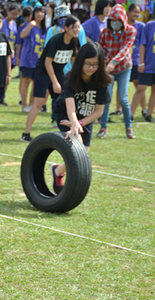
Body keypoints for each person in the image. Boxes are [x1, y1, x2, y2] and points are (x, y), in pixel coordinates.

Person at [51, 42, 111, 193]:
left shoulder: (102, 81)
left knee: (84, 151)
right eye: (88, 64)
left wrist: (80, 122)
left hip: (86, 116)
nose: (91, 68)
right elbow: (70, 105)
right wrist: (73, 123)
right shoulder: (72, 77)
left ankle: (58, 172)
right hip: (65, 114)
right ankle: (71, 187)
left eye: (95, 64)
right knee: (78, 144)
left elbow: (99, 111)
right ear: (80, 61)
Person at [21, 15, 80, 142]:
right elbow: (47, 62)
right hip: (43, 73)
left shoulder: (75, 41)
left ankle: (67, 130)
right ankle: (26, 133)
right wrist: (54, 82)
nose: (77, 30)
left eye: (78, 27)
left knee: (65, 102)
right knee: (38, 102)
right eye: (74, 27)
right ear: (65, 28)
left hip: (58, 73)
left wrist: (76, 78)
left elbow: (74, 61)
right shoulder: (56, 40)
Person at [96, 4, 136, 139]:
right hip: (109, 70)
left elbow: (126, 49)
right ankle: (103, 127)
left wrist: (113, 62)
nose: (115, 23)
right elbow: (99, 47)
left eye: (118, 21)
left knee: (123, 98)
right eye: (112, 20)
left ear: (123, 20)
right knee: (106, 98)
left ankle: (128, 127)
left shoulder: (131, 31)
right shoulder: (105, 32)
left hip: (124, 68)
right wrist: (103, 58)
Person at [19, 6, 45, 113]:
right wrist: (30, 25)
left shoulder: (45, 29)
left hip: (39, 61)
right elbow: (22, 35)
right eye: (38, 12)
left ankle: (31, 105)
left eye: (42, 12)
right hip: (28, 59)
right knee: (26, 83)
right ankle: (24, 105)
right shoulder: (29, 25)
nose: (40, 14)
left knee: (36, 84)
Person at [126, 4, 146, 117]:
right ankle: (118, 109)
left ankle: (144, 109)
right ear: (128, 12)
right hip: (123, 60)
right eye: (134, 12)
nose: (136, 15)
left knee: (138, 84)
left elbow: (144, 43)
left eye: (138, 12)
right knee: (121, 84)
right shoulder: (122, 24)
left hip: (136, 60)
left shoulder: (141, 26)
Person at [0, 2, 19, 106]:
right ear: (8, 12)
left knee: (8, 74)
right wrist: (10, 49)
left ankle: (2, 95)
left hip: (12, 53)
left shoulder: (14, 24)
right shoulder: (3, 23)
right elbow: (4, 37)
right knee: (3, 74)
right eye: (13, 14)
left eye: (16, 14)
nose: (14, 16)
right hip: (4, 52)